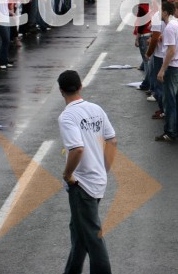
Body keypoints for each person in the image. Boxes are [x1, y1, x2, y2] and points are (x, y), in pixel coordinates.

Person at [57, 70, 116, 274]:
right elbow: (112, 140)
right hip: (97, 179)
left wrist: (67, 175)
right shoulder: (95, 109)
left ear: (61, 91)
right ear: (80, 86)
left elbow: (77, 149)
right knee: (78, 231)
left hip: (81, 184)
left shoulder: (67, 116)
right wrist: (104, 168)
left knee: (91, 234)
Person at [155, 1, 178, 142]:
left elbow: (171, 50)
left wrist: (162, 69)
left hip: (174, 67)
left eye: (160, 11)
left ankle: (170, 132)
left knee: (170, 101)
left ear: (165, 12)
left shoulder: (169, 28)